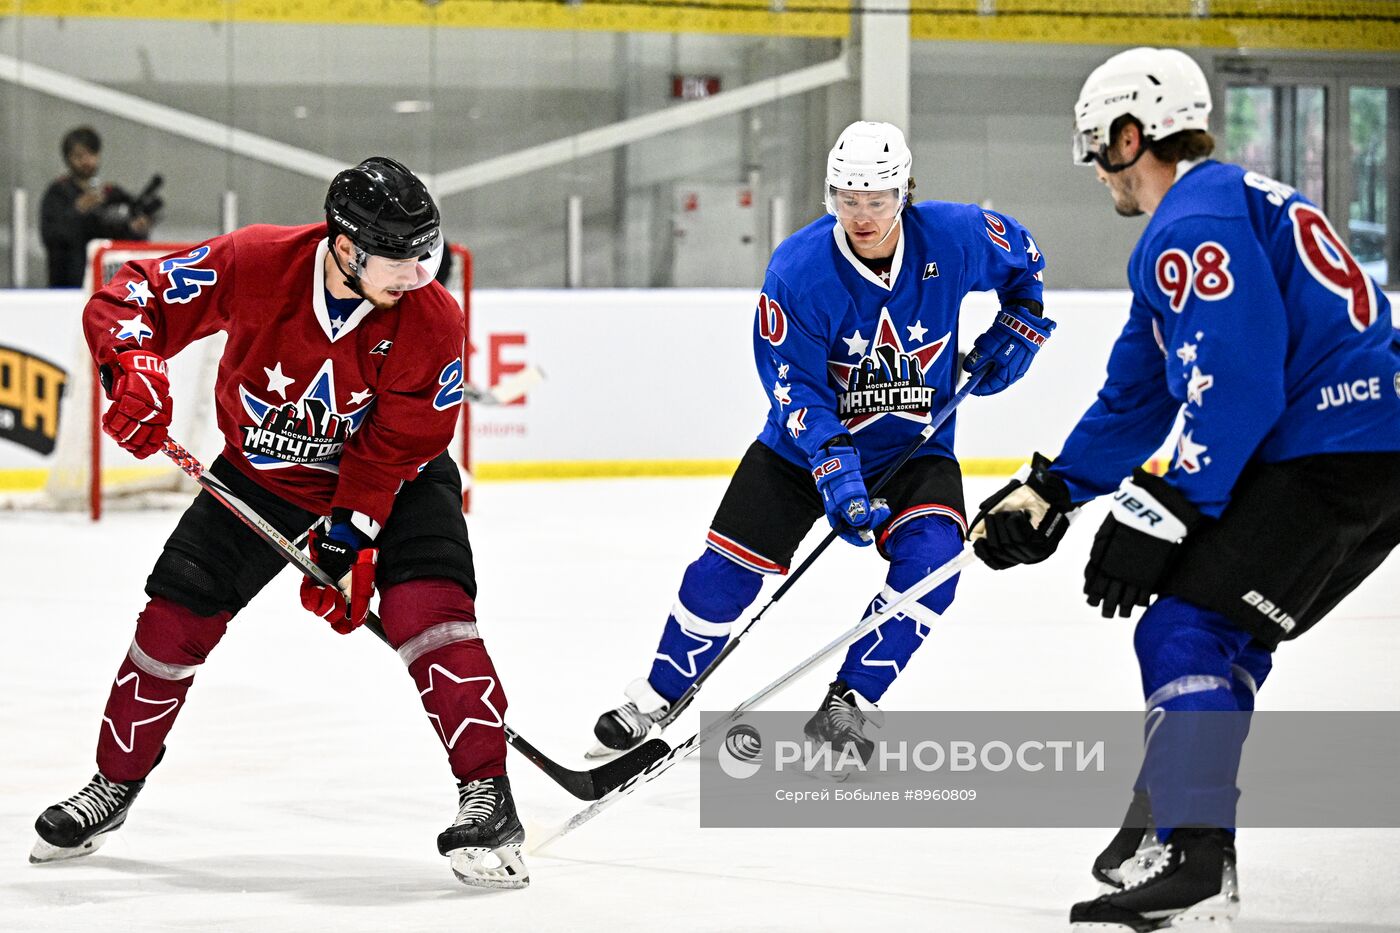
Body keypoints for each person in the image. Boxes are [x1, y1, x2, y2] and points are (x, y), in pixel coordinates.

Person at [969, 47, 1400, 930]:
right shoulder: (1226, 204)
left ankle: (1196, 858)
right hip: (1372, 450)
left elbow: (1236, 385)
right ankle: (1166, 825)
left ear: (1131, 136)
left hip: (1332, 448)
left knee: (1182, 628)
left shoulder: (1191, 226)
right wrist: (1052, 488)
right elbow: (1138, 395)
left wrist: (1168, 504)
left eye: (1097, 145)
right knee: (1226, 636)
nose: (1096, 168)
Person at [30, 157, 529, 889]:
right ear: (347, 247)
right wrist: (132, 366)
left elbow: (397, 446)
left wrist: (350, 535)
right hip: (261, 478)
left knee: (431, 616)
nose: (417, 273)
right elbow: (133, 294)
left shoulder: (431, 318)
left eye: (424, 254)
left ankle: (487, 793)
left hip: (400, 481)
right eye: (398, 257)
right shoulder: (256, 261)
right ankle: (112, 783)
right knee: (171, 620)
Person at [589, 121, 1054, 761]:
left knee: (935, 563)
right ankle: (657, 695)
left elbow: (1026, 261)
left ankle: (849, 704)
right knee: (722, 575)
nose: (862, 216)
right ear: (830, 194)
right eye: (847, 199)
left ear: (905, 192)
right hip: (799, 453)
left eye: (877, 200)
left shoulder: (957, 235)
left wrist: (1022, 324)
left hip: (914, 449)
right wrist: (835, 470)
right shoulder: (798, 269)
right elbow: (793, 384)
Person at [40, 127, 159, 287]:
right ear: (68, 158)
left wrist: (137, 227)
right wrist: (78, 210)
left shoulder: (112, 194)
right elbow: (52, 236)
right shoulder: (58, 193)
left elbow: (126, 235)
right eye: (79, 156)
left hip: (110, 284)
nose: (86, 161)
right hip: (69, 283)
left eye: (91, 154)